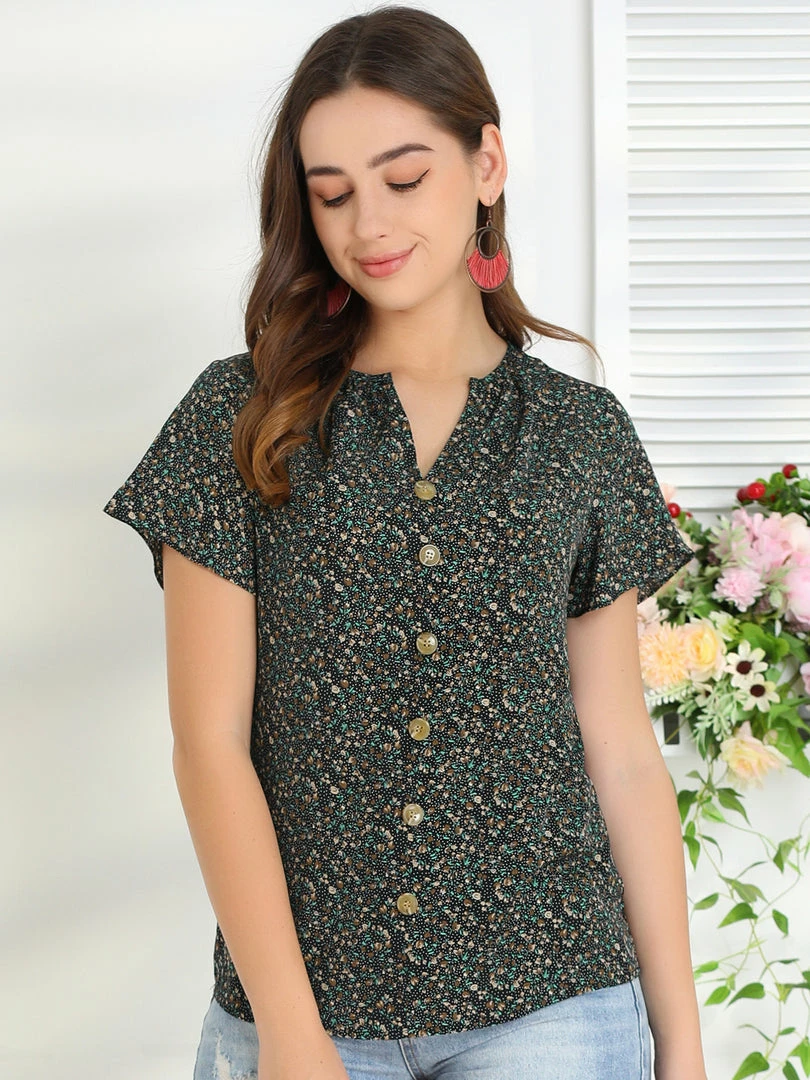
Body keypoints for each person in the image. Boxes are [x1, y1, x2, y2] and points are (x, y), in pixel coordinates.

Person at [102, 7, 709, 1079]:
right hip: (297, 1009)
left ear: (488, 165)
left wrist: (685, 1045)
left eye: (404, 177)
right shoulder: (237, 419)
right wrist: (292, 1035)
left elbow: (619, 754)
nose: (368, 223)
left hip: (555, 1003)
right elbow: (208, 745)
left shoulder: (580, 434)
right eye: (332, 193)